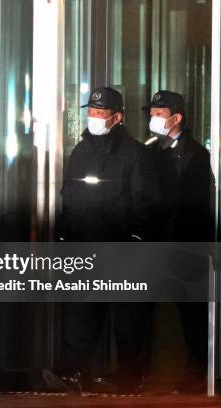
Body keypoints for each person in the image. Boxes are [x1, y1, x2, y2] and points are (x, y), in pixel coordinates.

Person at [43, 87, 161, 394]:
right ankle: (74, 371)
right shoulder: (80, 152)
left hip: (121, 246)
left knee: (128, 318)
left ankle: (130, 375)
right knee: (81, 311)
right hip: (86, 244)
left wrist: (136, 238)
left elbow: (144, 201)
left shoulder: (134, 154)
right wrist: (66, 234)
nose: (93, 118)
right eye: (91, 112)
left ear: (117, 117)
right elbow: (69, 195)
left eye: (100, 113)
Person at [142, 90, 214, 394]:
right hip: (156, 241)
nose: (153, 119)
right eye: (152, 113)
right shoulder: (151, 151)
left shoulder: (196, 155)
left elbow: (196, 206)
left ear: (176, 118)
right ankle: (145, 369)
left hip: (184, 244)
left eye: (159, 114)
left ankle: (197, 370)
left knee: (191, 312)